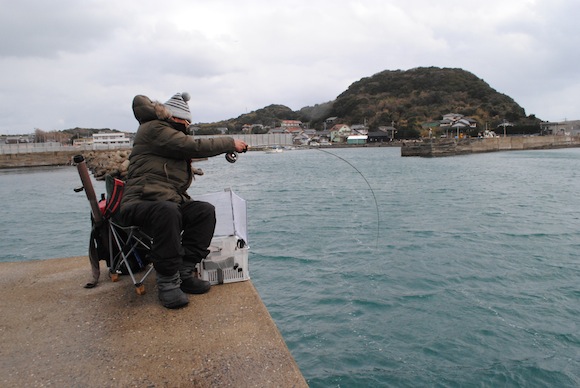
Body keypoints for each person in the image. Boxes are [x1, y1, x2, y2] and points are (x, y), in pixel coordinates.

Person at [120, 92, 247, 309]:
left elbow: (184, 150)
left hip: (165, 201)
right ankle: (167, 283)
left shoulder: (165, 137)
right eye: (186, 122)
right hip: (139, 202)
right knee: (167, 212)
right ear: (175, 118)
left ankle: (184, 271)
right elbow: (192, 146)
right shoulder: (154, 128)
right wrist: (229, 143)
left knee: (204, 211)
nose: (187, 126)